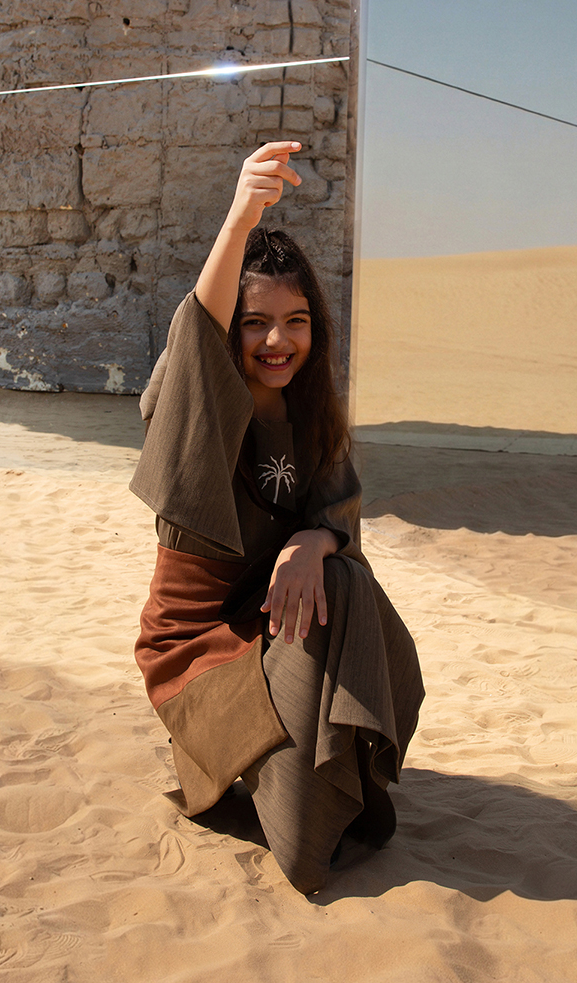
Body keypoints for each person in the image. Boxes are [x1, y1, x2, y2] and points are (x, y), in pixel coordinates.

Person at [130, 141, 424, 894]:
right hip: (197, 653)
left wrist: (311, 540)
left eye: (296, 321)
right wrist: (239, 219)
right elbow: (197, 338)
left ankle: (318, 775)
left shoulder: (310, 416)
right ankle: (281, 797)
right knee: (305, 841)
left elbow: (339, 508)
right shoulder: (199, 410)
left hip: (269, 623)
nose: (276, 341)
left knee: (342, 581)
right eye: (255, 322)